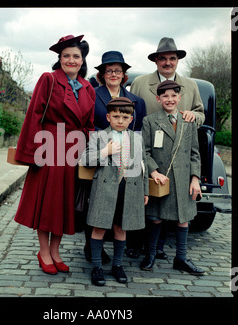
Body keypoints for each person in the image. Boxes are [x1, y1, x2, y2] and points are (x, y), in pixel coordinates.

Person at [14, 35, 96, 275]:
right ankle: (44, 251)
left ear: (82, 61)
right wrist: (33, 154)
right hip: (49, 149)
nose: (71, 60)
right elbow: (34, 115)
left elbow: (90, 124)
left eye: (76, 56)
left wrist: (88, 152)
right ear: (59, 59)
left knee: (66, 204)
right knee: (47, 204)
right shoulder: (48, 80)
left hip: (74, 152)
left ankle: (56, 251)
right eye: (66, 56)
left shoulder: (88, 87)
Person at [128, 37, 205, 259]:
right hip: (147, 152)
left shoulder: (190, 85)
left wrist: (193, 115)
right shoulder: (141, 83)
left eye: (172, 58)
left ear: (178, 60)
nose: (168, 62)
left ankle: (160, 249)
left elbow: (200, 113)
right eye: (163, 58)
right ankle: (137, 244)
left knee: (168, 208)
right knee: (145, 203)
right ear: (156, 61)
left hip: (179, 151)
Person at [83, 51, 146, 263]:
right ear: (102, 74)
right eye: (108, 70)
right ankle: (92, 250)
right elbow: (87, 124)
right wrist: (106, 141)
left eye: (117, 71)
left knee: (120, 214)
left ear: (123, 75)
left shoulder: (135, 100)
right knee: (96, 205)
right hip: (101, 151)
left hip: (125, 157)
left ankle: (116, 258)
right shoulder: (92, 94)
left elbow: (138, 131)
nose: (113, 74)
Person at [81, 97, 149, 286]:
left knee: (121, 227)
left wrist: (146, 191)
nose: (120, 120)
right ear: (108, 117)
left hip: (129, 189)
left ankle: (117, 266)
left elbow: (143, 166)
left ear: (131, 118)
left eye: (125, 116)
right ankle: (96, 267)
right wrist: (105, 152)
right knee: (99, 226)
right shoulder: (100, 136)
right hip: (104, 188)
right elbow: (85, 159)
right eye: (116, 116)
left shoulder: (136, 138)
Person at [140, 80, 205, 276]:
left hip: (184, 179)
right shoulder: (150, 121)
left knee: (182, 219)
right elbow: (145, 151)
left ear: (179, 98)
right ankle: (150, 254)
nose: (170, 99)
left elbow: (195, 152)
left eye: (173, 96)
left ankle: (181, 258)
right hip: (162, 178)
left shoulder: (188, 121)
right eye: (165, 96)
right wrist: (153, 172)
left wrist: (195, 179)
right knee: (155, 217)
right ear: (158, 99)